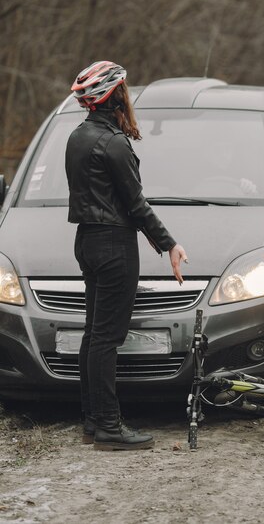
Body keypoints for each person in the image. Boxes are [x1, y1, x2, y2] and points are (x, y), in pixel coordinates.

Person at [65, 61, 188, 451]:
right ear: (115, 94)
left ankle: (91, 420)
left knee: (93, 334)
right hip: (115, 246)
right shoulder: (114, 143)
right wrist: (169, 244)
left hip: (86, 241)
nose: (128, 95)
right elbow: (136, 205)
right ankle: (109, 428)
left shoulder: (77, 136)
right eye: (125, 89)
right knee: (107, 338)